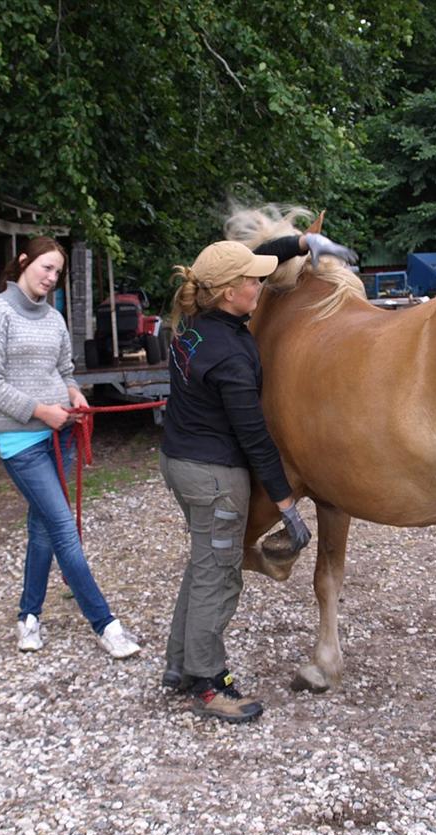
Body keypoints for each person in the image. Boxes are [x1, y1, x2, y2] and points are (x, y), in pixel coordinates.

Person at [159, 231, 356, 724]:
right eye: (253, 280)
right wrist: (287, 505)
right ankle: (209, 684)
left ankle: (179, 665)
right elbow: (255, 439)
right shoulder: (230, 354)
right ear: (230, 292)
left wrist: (303, 241)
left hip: (179, 462)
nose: (261, 284)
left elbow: (257, 256)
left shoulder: (194, 326)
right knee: (220, 575)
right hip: (215, 477)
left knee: (203, 561)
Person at [0, 236, 141, 659]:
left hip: (60, 434)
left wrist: (74, 394)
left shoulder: (54, 318)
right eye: (46, 267)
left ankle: (28, 617)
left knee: (43, 528)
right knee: (64, 529)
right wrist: (40, 411)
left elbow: (64, 370)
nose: (51, 277)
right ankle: (106, 625)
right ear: (23, 262)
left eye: (57, 272)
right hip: (21, 441)